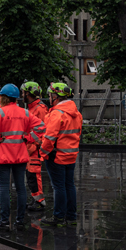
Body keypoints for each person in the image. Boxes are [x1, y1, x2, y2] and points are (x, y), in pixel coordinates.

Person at [0, 83, 44, 231]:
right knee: (21, 188)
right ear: (16, 98)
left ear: (3, 98)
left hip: (3, 155)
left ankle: (4, 221)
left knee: (4, 188)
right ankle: (20, 221)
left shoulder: (0, 112)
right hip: (20, 155)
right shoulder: (25, 112)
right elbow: (41, 127)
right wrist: (29, 138)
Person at [40, 82, 83, 227]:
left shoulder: (56, 113)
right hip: (71, 155)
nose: (49, 98)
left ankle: (58, 218)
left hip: (56, 156)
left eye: (51, 95)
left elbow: (49, 137)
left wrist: (42, 154)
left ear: (56, 96)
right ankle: (71, 217)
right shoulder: (76, 113)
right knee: (69, 185)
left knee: (58, 187)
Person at [20, 82, 48, 212]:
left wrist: (34, 145)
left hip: (34, 149)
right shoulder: (32, 108)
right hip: (30, 148)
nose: (22, 95)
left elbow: (43, 131)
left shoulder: (39, 109)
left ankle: (40, 201)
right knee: (30, 176)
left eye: (23, 93)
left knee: (34, 175)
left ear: (29, 93)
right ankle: (35, 198)